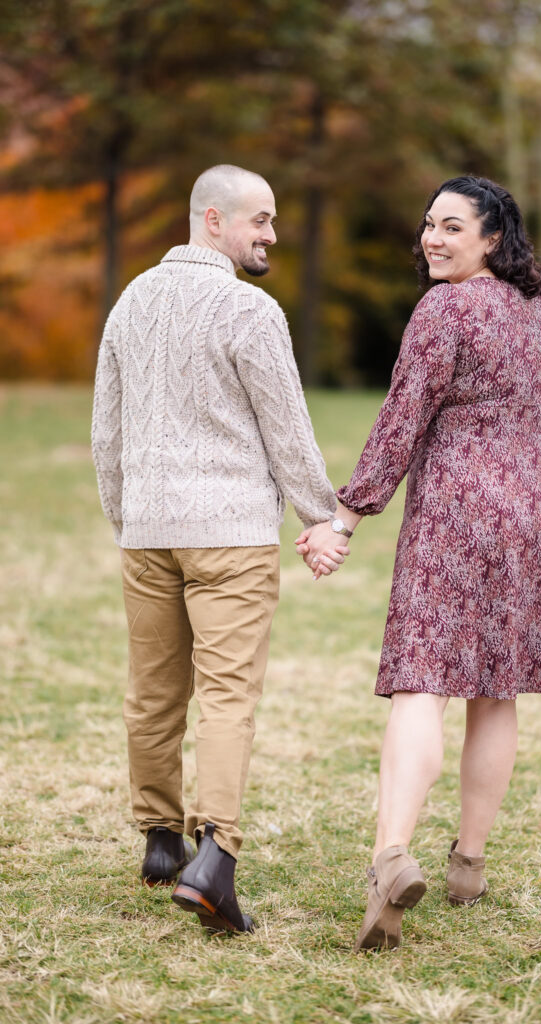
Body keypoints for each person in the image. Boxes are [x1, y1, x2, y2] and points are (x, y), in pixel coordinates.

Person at [296, 174, 541, 951]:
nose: (431, 239)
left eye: (451, 228)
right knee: (497, 689)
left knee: (422, 681)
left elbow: (401, 415)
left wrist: (346, 515)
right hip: (532, 509)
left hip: (457, 508)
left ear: (492, 238)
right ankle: (467, 863)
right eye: (427, 226)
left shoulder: (443, 310)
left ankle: (390, 858)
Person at [92, 163, 348, 935]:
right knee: (226, 696)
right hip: (230, 534)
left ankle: (161, 842)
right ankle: (216, 859)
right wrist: (325, 516)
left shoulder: (131, 300)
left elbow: (107, 429)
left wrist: (128, 515)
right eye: (258, 219)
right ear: (213, 219)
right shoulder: (250, 309)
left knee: (154, 691)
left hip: (150, 532)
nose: (270, 233)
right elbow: (286, 429)